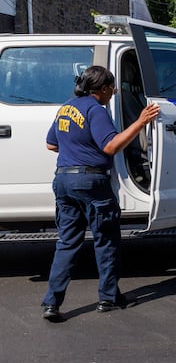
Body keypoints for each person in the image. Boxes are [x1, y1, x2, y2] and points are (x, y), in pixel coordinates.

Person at [41, 66, 160, 322]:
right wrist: (141, 121)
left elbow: (51, 143)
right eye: (112, 88)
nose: (113, 92)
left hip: (63, 180)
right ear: (103, 88)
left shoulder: (66, 107)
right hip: (92, 183)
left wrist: (75, 149)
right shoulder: (96, 110)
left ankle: (52, 303)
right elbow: (111, 146)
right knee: (105, 241)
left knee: (67, 243)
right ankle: (108, 299)